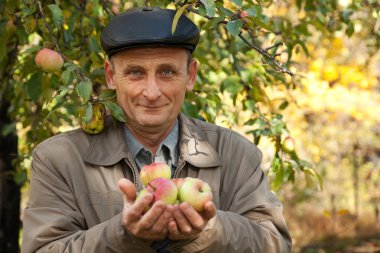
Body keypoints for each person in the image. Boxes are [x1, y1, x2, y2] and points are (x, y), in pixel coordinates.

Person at [21, 7, 292, 253]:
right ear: (111, 76)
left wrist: (208, 231)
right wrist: (123, 235)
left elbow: (275, 244)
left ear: (191, 75)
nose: (151, 92)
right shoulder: (59, 158)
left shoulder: (237, 154)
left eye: (167, 72)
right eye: (136, 73)